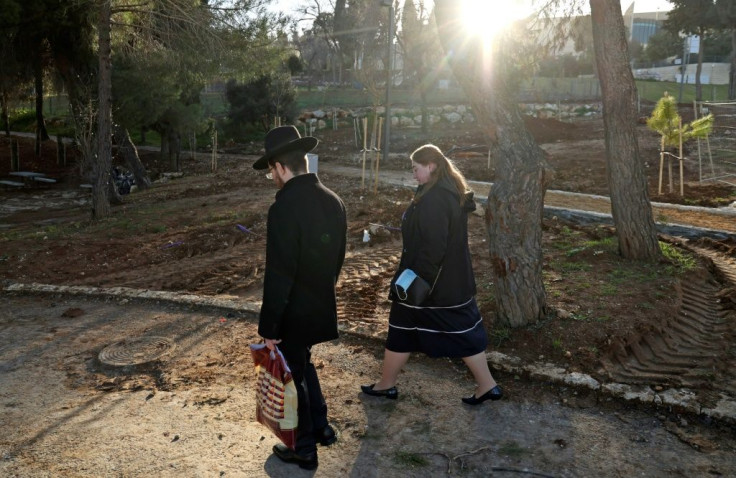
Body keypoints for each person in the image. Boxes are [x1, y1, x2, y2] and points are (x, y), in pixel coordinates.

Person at [361, 144, 502, 405]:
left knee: (418, 329)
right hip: (448, 282)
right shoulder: (443, 191)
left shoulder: (436, 198)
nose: (413, 174)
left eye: (416, 168)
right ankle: (487, 385)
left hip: (432, 284)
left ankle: (387, 384)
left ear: (431, 166)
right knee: (447, 330)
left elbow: (434, 246)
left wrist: (416, 282)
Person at [253, 125, 347, 470]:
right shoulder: (334, 199)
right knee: (302, 364)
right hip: (320, 305)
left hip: (292, 311)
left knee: (293, 373)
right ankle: (321, 426)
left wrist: (270, 325)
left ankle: (304, 447)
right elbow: (337, 259)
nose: (271, 178)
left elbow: (279, 274)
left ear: (279, 166)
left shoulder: (284, 208)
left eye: (270, 171)